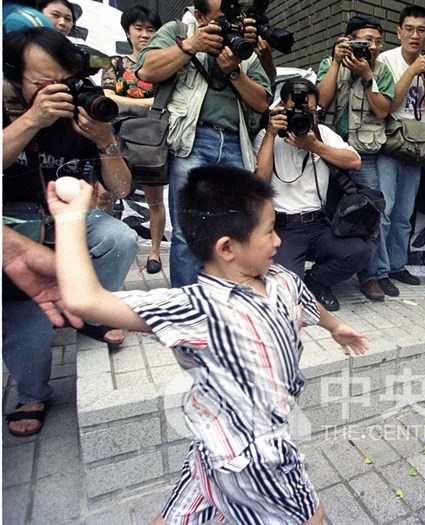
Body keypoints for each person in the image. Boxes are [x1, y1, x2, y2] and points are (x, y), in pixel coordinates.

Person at [49, 165, 368, 525]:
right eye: (269, 231)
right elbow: (84, 299)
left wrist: (335, 326)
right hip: (257, 455)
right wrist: (71, 217)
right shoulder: (196, 308)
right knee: (312, 517)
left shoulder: (281, 279)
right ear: (227, 247)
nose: (278, 241)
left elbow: (306, 303)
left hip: (213, 444)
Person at [2, 27, 138, 435]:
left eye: (66, 81)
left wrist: (106, 140)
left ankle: (88, 308)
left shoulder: (84, 116)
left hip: (73, 216)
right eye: (44, 83)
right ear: (14, 77)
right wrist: (31, 120)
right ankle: (32, 392)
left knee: (120, 237)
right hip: (14, 225)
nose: (57, 93)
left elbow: (121, 188)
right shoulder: (9, 109)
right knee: (26, 327)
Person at [135, 1, 271, 288]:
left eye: (234, 16)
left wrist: (235, 71)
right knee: (189, 230)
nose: (229, 23)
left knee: (235, 228)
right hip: (192, 140)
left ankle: (227, 300)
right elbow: (146, 71)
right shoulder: (178, 30)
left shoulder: (241, 44)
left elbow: (261, 102)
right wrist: (190, 45)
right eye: (221, 18)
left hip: (235, 141)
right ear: (200, 16)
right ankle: (188, 307)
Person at [254, 79, 369, 312]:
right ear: (281, 107)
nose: (303, 116)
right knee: (286, 290)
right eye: (294, 110)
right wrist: (270, 133)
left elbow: (355, 162)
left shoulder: (322, 133)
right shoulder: (269, 135)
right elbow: (260, 182)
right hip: (283, 228)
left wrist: (315, 146)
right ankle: (297, 281)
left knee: (360, 253)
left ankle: (316, 281)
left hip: (318, 225)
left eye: (309, 111)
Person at [317, 15, 396, 302]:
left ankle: (370, 276)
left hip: (364, 154)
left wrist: (367, 77)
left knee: (371, 214)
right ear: (348, 40)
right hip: (329, 153)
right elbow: (321, 101)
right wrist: (336, 62)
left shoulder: (382, 71)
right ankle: (326, 271)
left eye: (377, 41)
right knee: (325, 210)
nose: (372, 47)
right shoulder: (330, 64)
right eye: (365, 41)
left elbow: (383, 110)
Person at [376, 5, 425, 288]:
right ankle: (378, 272)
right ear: (399, 31)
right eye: (409, 29)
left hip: (416, 146)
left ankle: (396, 265)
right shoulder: (385, 60)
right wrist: (412, 70)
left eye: (421, 30)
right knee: (386, 208)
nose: (414, 35)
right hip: (390, 143)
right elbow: (387, 105)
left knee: (405, 213)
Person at [102, 5, 165, 274]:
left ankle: (154, 252)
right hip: (117, 137)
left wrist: (127, 104)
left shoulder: (163, 67)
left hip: (152, 140)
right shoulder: (115, 63)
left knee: (155, 199)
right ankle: (102, 247)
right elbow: (107, 98)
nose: (145, 34)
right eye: (138, 28)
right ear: (128, 32)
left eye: (150, 29)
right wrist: (148, 102)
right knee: (104, 194)